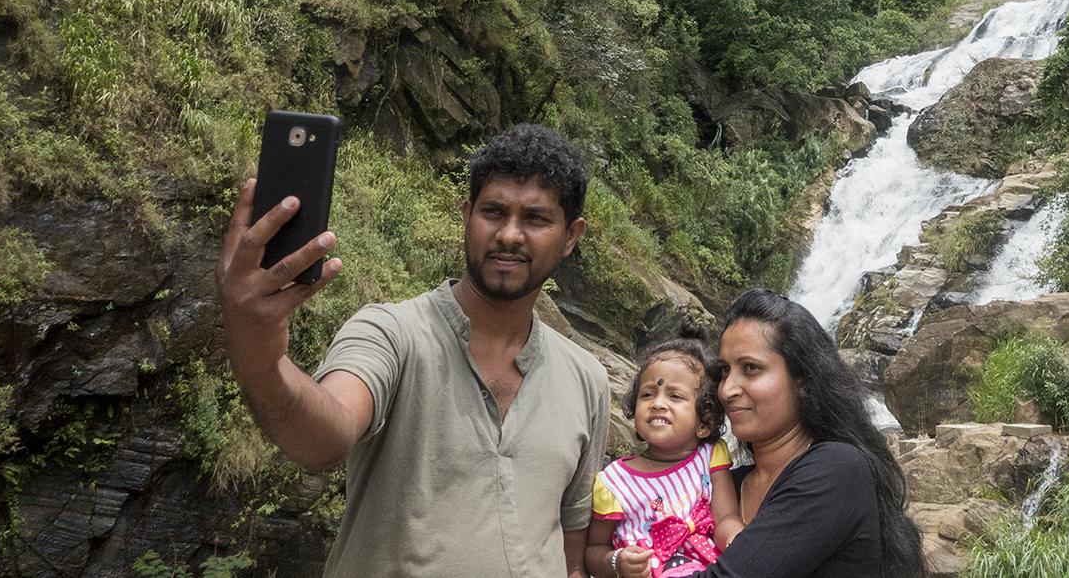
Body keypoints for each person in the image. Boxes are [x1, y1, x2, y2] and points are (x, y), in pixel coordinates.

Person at [216, 122, 611, 578]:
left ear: (571, 235)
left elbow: (571, 548)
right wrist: (259, 356)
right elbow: (325, 437)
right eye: (493, 212)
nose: (509, 234)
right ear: (467, 216)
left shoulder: (587, 379)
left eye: (536, 219)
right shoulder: (391, 333)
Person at [694, 288, 927, 578]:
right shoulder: (725, 485)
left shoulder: (837, 470)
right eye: (725, 370)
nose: (727, 390)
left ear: (803, 379)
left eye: (751, 368)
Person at [586, 325, 743, 578]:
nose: (658, 403)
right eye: (648, 394)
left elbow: (726, 518)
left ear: (705, 422)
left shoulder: (709, 457)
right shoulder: (615, 482)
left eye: (675, 396)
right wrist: (618, 562)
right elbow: (594, 550)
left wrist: (740, 542)